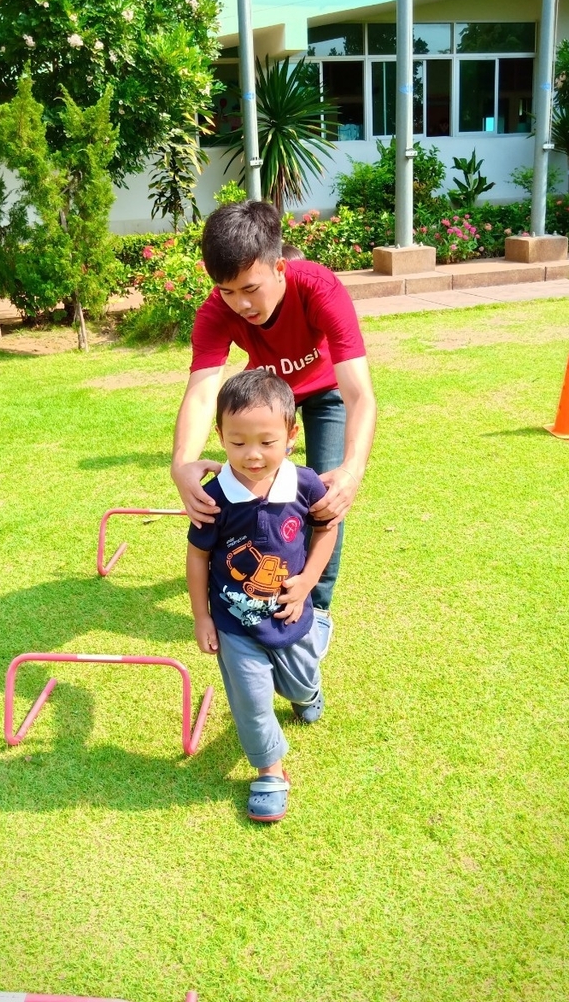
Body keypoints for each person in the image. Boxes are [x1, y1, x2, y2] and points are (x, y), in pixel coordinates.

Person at [172, 199, 376, 639]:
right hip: (270, 394)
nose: (240, 304)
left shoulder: (319, 287)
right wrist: (182, 463)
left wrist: (353, 469)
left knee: (326, 497)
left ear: (279, 267)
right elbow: (203, 391)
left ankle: (317, 607)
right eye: (227, 291)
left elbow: (359, 393)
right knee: (251, 488)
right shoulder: (216, 311)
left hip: (328, 390)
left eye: (250, 288)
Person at [186, 370, 338, 822]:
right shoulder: (213, 498)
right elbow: (197, 557)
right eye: (238, 442)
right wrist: (201, 616)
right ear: (220, 437)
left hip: (290, 616)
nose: (252, 455)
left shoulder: (305, 484)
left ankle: (307, 686)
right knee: (251, 702)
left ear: (291, 435)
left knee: (299, 684)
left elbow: (326, 529)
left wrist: (308, 582)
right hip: (235, 625)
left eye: (266, 442)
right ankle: (270, 772)